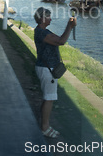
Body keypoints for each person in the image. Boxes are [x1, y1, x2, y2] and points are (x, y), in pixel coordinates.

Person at [33, 7, 76, 138]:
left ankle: (43, 124)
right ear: (42, 19)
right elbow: (61, 41)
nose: (51, 18)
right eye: (48, 17)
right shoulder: (42, 33)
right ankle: (45, 128)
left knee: (48, 97)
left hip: (47, 69)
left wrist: (69, 27)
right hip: (47, 70)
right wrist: (69, 26)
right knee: (49, 98)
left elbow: (59, 39)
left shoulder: (43, 31)